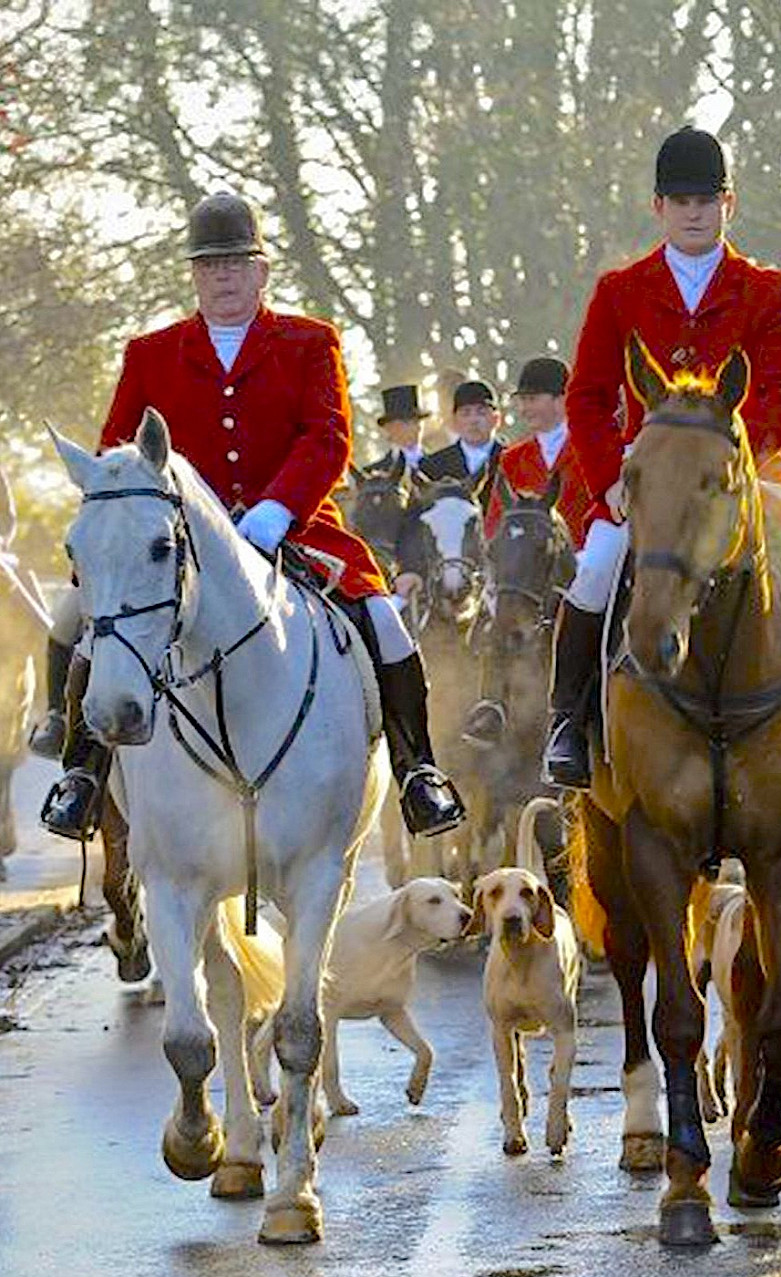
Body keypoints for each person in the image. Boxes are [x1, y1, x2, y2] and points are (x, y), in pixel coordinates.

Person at [40, 191, 464, 842]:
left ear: (262, 270)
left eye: (237, 262)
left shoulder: (310, 341)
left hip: (296, 527)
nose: (224, 276)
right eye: (210, 265)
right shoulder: (150, 353)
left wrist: (275, 511)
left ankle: (417, 770)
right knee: (81, 622)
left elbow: (328, 438)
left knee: (384, 621)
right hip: (175, 540)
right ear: (194, 275)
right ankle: (81, 774)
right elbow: (114, 451)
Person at [545, 124, 781, 790]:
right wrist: (611, 479)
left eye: (707, 198)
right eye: (680, 200)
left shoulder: (767, 289)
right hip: (648, 482)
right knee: (593, 572)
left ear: (729, 204)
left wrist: (735, 459)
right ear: (658, 208)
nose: (694, 211)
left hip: (748, 473)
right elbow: (586, 396)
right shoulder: (619, 290)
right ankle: (569, 719)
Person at [462, 356, 591, 747]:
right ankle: (492, 705)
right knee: (494, 615)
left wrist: (587, 553)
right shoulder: (513, 457)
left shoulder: (589, 447)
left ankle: (585, 709)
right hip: (522, 569)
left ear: (561, 399)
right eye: (522, 400)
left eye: (533, 398)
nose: (524, 408)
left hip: (580, 560)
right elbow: (494, 519)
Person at [418, 378, 506, 499]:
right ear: (454, 421)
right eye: (466, 413)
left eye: (481, 412)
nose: (473, 420)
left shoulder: (515, 461)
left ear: (497, 419)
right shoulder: (433, 466)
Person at [358, 383, 430, 483]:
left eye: (417, 422)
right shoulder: (371, 473)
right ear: (389, 428)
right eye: (407, 423)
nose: (416, 428)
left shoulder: (442, 464)